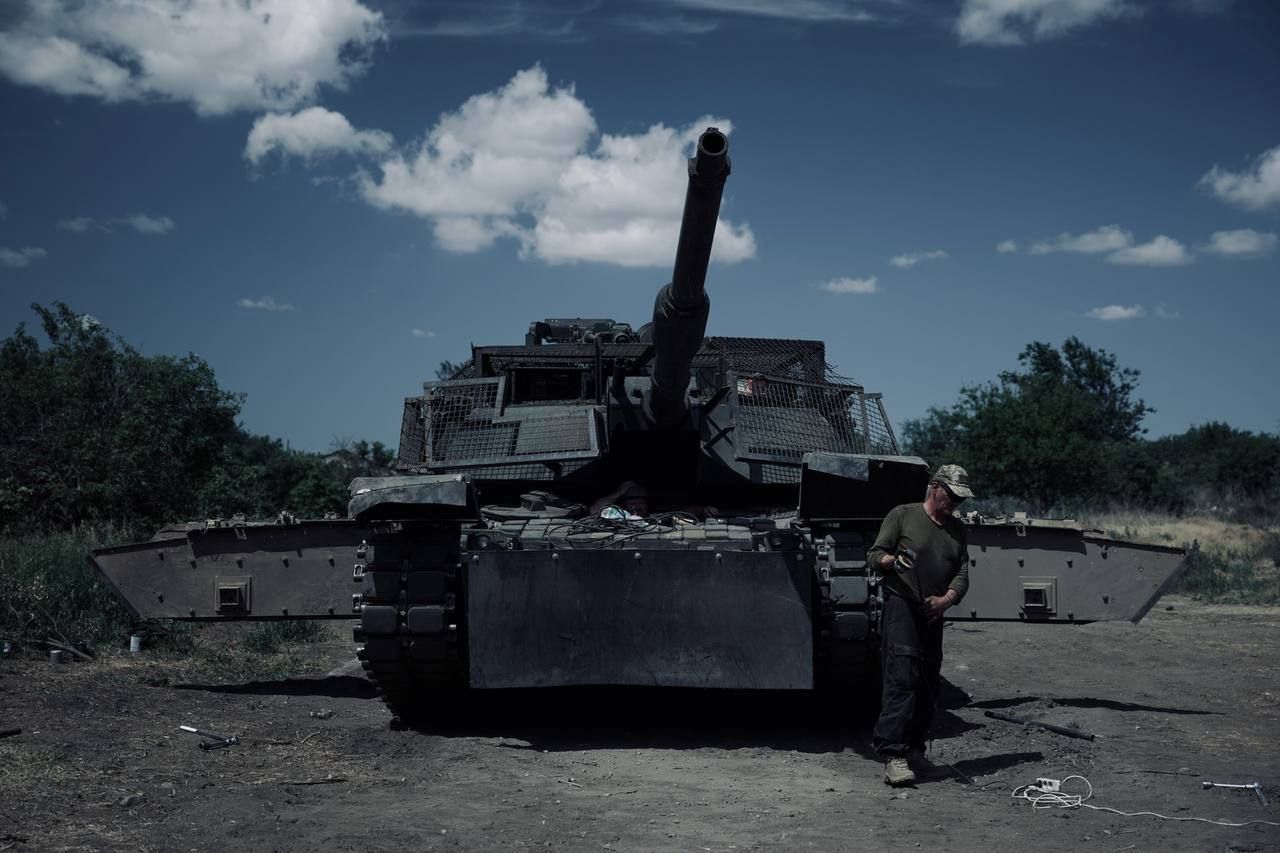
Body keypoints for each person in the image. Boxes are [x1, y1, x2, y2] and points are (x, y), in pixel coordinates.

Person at [866, 463, 973, 786]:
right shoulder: (903, 515)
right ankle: (893, 756)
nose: (954, 503)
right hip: (902, 605)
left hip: (933, 613)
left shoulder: (956, 530)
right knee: (902, 679)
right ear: (935, 487)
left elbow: (963, 574)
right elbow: (874, 555)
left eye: (960, 499)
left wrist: (946, 601)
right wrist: (892, 561)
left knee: (928, 683)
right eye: (951, 496)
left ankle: (914, 751)